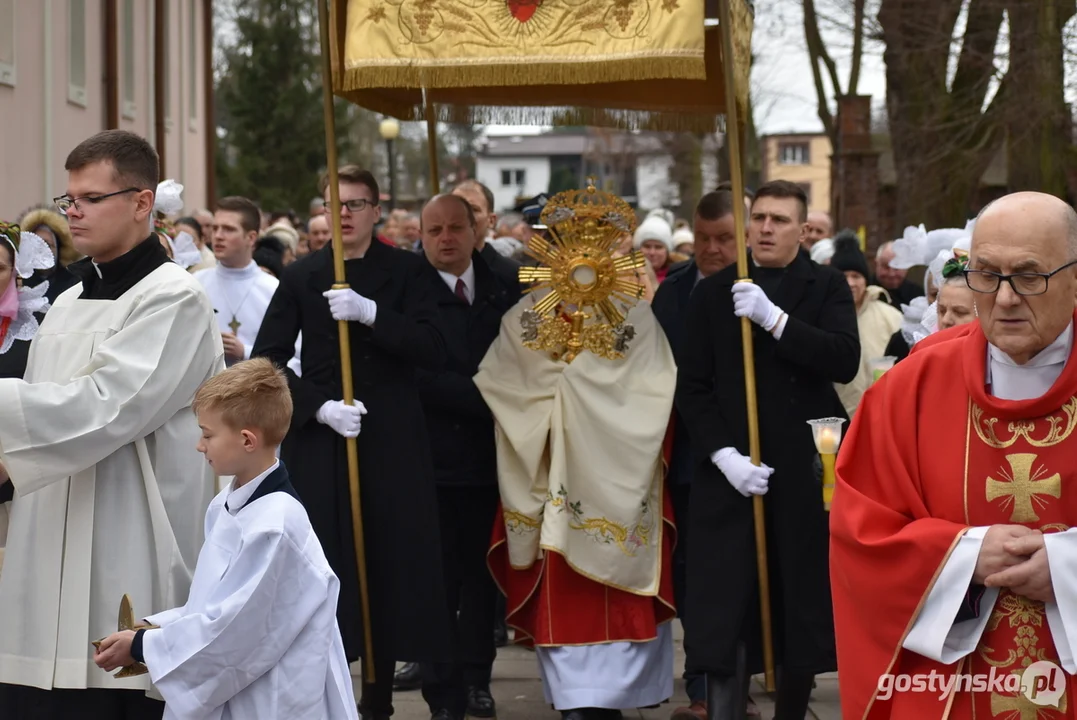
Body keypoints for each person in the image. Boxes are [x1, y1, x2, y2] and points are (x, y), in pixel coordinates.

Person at [0, 129, 222, 717]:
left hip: (129, 534)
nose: (74, 212)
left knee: (115, 695)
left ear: (141, 202)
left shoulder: (174, 297)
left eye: (90, 199)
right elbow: (43, 409)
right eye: (70, 198)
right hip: (48, 533)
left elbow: (108, 405)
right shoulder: (69, 302)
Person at [830, 191, 1077, 717]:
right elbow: (859, 535)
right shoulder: (911, 387)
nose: (1005, 298)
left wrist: (1067, 566)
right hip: (948, 689)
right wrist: (960, 557)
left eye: (1029, 276)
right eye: (986, 274)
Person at [252, 165, 451, 719]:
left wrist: (372, 314)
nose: (345, 214)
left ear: (376, 208)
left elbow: (435, 347)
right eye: (335, 204)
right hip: (325, 436)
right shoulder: (302, 274)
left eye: (357, 204)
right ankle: (324, 696)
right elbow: (267, 359)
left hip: (392, 438)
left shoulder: (407, 271)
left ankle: (381, 696)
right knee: (329, 563)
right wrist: (318, 406)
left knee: (388, 567)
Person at [477, 184, 678, 720]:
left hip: (619, 481)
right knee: (562, 602)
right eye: (565, 239)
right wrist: (559, 400)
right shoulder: (526, 318)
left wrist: (580, 392)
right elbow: (501, 385)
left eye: (592, 240)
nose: (578, 252)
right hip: (550, 480)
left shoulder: (635, 317)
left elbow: (656, 394)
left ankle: (617, 696)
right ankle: (573, 702)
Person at [675, 180, 859, 720]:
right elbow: (693, 387)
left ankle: (791, 711)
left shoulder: (824, 286)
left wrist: (775, 319)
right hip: (732, 472)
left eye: (779, 219)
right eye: (757, 217)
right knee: (724, 601)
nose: (765, 228)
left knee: (797, 598)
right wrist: (724, 457)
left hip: (802, 469)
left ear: (803, 230)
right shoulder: (714, 292)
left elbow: (843, 358)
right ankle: (726, 707)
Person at [93, 359, 359, 719]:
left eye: (207, 434)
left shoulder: (276, 526)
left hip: (271, 696)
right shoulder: (226, 504)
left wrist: (143, 646)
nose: (200, 446)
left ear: (247, 439)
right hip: (240, 682)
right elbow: (212, 606)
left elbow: (236, 631)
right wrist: (157, 629)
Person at [415, 195, 520, 720]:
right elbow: (413, 372)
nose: (446, 238)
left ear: (477, 229)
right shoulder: (408, 288)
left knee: (482, 581)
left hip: (488, 459)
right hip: (429, 459)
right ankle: (440, 687)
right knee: (436, 580)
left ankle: (477, 678)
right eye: (434, 230)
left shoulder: (505, 283)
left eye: (456, 227)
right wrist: (489, 397)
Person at [652, 188, 747, 720]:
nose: (711, 249)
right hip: (688, 454)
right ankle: (701, 681)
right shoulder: (675, 291)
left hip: (749, 456)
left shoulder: (760, 289)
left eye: (724, 239)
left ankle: (745, 678)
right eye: (704, 238)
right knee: (693, 569)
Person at [195, 196, 281, 367]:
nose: (218, 236)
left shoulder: (273, 289)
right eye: (215, 228)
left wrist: (246, 351)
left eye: (228, 229)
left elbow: (291, 355)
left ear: (251, 238)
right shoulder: (195, 283)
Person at [829, 233, 904, 417]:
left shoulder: (891, 316)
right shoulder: (824, 316)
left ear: (866, 279)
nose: (850, 283)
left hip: (882, 415)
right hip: (837, 421)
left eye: (856, 276)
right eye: (843, 276)